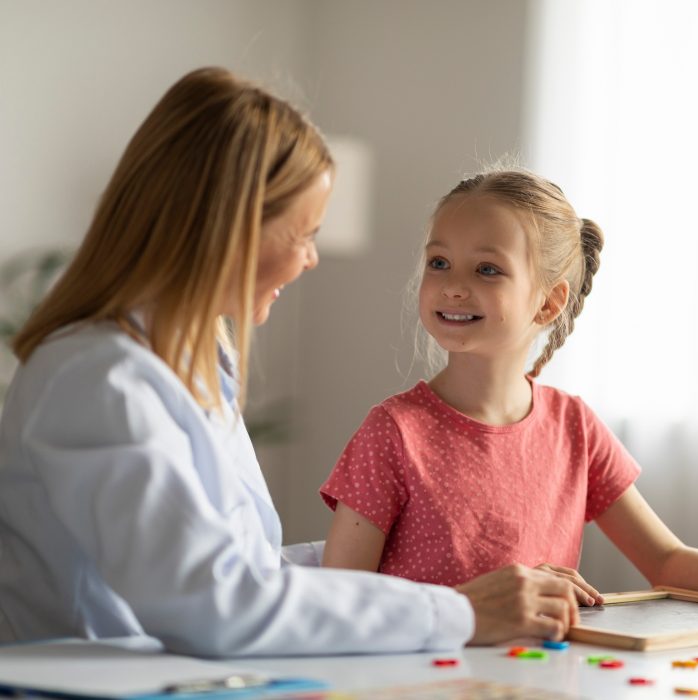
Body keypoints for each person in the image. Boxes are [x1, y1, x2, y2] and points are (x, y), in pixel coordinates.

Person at [0, 69, 580, 658]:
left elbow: (240, 572)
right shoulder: (97, 379)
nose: (310, 259)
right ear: (228, 227)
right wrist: (458, 610)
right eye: (302, 233)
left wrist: (426, 556)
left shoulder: (190, 364)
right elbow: (213, 604)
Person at [320, 167, 698, 611]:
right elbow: (338, 604)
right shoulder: (393, 433)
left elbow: (665, 560)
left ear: (549, 303)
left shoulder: (574, 426)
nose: (453, 285)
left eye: (487, 269)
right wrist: (477, 604)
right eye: (439, 262)